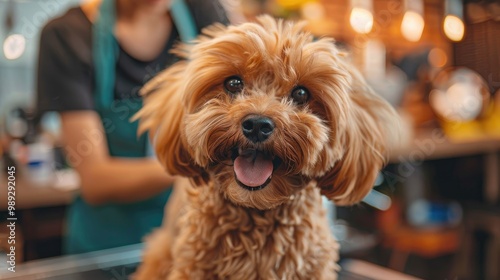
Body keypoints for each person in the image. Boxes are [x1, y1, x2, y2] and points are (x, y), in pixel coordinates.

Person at [36, 0, 229, 254]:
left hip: (193, 239)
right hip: (107, 246)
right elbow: (95, 179)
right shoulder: (68, 35)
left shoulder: (204, 14)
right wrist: (198, 162)